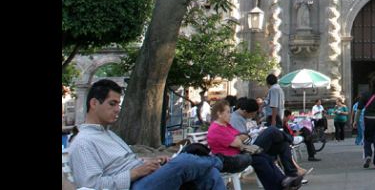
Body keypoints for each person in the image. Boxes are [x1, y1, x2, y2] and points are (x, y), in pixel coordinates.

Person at [68, 79, 227, 190]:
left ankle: (212, 163)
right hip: (134, 186)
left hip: (143, 179)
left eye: (118, 104)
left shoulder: (107, 134)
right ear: (94, 103)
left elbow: (124, 162)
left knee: (208, 174)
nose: (117, 109)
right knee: (184, 161)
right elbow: (89, 186)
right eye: (112, 103)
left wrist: (149, 162)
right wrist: (135, 172)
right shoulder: (83, 142)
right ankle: (219, 161)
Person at [207, 100, 257, 174]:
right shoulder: (216, 129)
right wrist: (239, 139)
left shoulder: (226, 125)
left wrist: (238, 138)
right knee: (255, 157)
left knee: (262, 157)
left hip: (237, 155)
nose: (230, 115)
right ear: (219, 114)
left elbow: (243, 136)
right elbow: (238, 143)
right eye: (228, 112)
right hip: (228, 160)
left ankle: (276, 180)